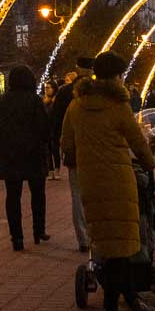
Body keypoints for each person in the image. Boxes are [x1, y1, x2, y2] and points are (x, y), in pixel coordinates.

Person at [61, 51, 155, 311]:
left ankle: (119, 302)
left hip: (90, 180)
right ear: (116, 76)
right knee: (123, 246)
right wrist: (149, 163)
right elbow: (137, 142)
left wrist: (83, 159)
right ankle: (114, 306)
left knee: (105, 241)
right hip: (119, 179)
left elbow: (66, 143)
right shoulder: (119, 105)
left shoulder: (76, 106)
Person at [0, 65, 52, 250]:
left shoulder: (2, 102)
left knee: (13, 197)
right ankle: (38, 230)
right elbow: (44, 128)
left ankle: (16, 237)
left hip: (10, 154)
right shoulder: (35, 101)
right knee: (38, 194)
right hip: (33, 154)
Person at [50, 59, 93, 252]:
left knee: (77, 196)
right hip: (98, 153)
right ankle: (97, 235)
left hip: (75, 153)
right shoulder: (104, 94)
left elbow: (58, 123)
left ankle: (84, 238)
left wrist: (63, 147)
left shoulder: (66, 95)